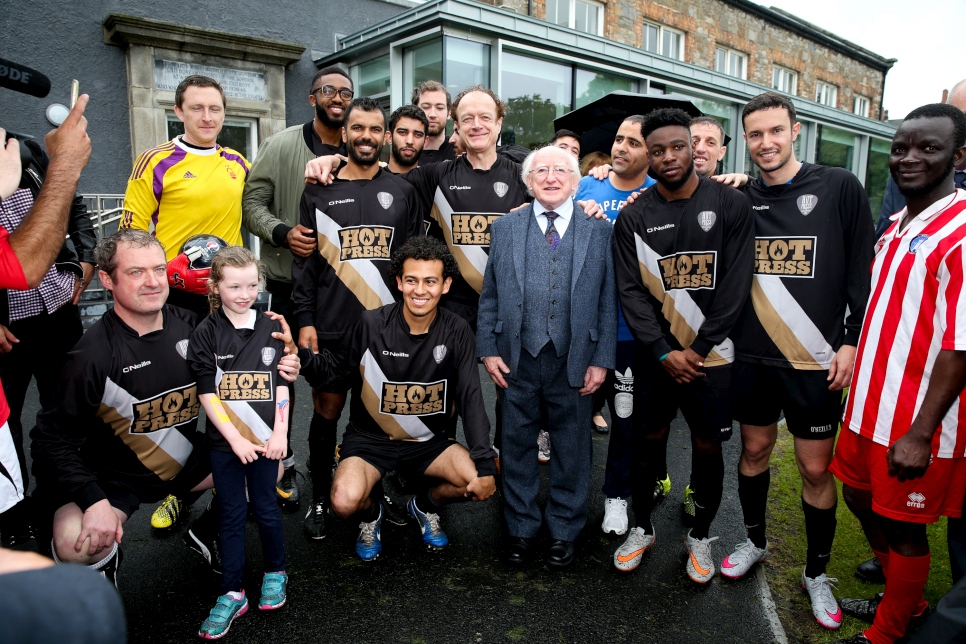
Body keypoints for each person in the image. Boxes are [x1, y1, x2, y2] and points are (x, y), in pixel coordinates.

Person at [30, 230, 300, 587]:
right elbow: (49, 441)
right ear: (108, 280)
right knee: (79, 543)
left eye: (158, 269)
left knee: (271, 466)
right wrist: (91, 499)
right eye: (136, 272)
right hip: (115, 477)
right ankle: (94, 590)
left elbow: (251, 368)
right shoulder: (90, 356)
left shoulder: (194, 326)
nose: (153, 281)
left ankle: (207, 530)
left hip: (185, 461)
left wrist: (289, 364)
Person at [719, 92, 874, 630]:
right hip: (754, 358)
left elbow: (862, 268)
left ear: (796, 130)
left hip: (815, 357)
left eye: (776, 131)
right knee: (755, 450)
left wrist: (852, 340)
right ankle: (756, 542)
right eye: (756, 134)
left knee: (814, 467)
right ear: (746, 139)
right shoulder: (738, 198)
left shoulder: (838, 187)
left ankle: (816, 573)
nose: (766, 143)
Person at [828, 103, 966, 644]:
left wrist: (922, 431)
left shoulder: (959, 233)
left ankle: (888, 632)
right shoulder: (896, 224)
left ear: (959, 157)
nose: (909, 158)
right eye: (901, 147)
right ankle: (902, 597)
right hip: (868, 405)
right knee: (860, 499)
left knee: (906, 526)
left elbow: (960, 346)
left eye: (928, 148)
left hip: (916, 419)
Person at [611, 108, 754, 583]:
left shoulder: (731, 205)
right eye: (657, 150)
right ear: (646, 156)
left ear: (695, 147)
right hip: (657, 357)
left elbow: (736, 284)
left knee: (708, 445)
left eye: (678, 147)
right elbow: (630, 291)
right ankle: (642, 527)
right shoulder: (633, 217)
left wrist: (701, 347)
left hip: (712, 357)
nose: (668, 157)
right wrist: (662, 351)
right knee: (645, 440)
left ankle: (701, 538)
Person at [303, 236, 497, 561]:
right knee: (344, 502)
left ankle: (425, 505)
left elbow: (471, 398)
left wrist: (484, 459)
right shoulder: (370, 324)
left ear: (446, 285)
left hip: (430, 444)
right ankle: (371, 515)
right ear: (399, 282)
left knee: (480, 481)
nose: (420, 290)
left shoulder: (458, 330)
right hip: (370, 441)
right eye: (412, 280)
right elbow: (334, 373)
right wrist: (303, 359)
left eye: (430, 281)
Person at [478, 145, 616, 569]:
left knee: (573, 450)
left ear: (577, 181)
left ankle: (563, 530)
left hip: (575, 359)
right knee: (516, 446)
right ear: (529, 181)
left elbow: (609, 300)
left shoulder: (601, 230)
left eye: (561, 170)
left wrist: (602, 358)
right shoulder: (505, 228)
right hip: (517, 357)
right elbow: (491, 296)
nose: (551, 177)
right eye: (542, 171)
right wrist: (487, 349)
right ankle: (520, 527)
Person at [293, 97, 423, 539]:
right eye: (357, 129)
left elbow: (411, 264)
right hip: (330, 327)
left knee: (377, 413)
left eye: (374, 129)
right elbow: (305, 264)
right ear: (344, 134)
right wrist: (305, 319)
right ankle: (318, 495)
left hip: (386, 328)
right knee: (327, 410)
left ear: (384, 135)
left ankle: (373, 487)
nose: (366, 136)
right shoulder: (317, 189)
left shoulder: (404, 192)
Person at [241, 66, 353, 513]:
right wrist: (282, 232)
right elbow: (251, 204)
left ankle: (343, 456)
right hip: (289, 285)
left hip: (344, 293)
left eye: (345, 91)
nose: (337, 97)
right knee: (278, 381)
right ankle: (280, 465)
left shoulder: (361, 147)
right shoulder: (282, 144)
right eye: (328, 90)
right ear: (312, 98)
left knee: (341, 385)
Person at [0, 122, 97, 545]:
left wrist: (86, 257)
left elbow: (71, 206)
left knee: (65, 412)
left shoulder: (24, 149)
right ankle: (15, 513)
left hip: (57, 307)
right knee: (8, 423)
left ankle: (55, 496)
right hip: (9, 327)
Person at [188, 247, 292, 639]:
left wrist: (281, 433)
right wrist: (233, 439)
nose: (244, 293)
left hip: (267, 442)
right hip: (225, 444)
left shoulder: (272, 325)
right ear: (216, 286)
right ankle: (232, 592)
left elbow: (281, 384)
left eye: (252, 284)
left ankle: (275, 572)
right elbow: (207, 395)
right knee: (231, 515)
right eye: (234, 286)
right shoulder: (206, 332)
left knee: (266, 509)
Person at [574, 115, 660, 535]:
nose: (621, 148)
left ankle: (615, 497)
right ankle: (568, 496)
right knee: (573, 417)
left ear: (651, 153)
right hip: (582, 328)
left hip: (629, 332)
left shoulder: (659, 195)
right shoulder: (588, 185)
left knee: (624, 420)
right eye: (618, 139)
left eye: (633, 142)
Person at [120, 75, 250, 318]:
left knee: (229, 356)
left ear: (224, 113)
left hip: (229, 288)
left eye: (214, 109)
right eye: (196, 108)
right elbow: (130, 232)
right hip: (176, 288)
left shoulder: (238, 161)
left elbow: (267, 196)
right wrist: (157, 273)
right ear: (179, 112)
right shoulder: (155, 160)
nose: (207, 117)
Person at [413, 80, 454, 165]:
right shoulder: (406, 150)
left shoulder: (458, 150)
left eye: (439, 108)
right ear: (415, 110)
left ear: (449, 113)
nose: (432, 114)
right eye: (426, 107)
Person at [386, 105, 429, 174]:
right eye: (402, 133)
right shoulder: (372, 180)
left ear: (425, 142)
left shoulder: (432, 182)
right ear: (389, 137)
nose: (410, 141)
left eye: (418, 135)